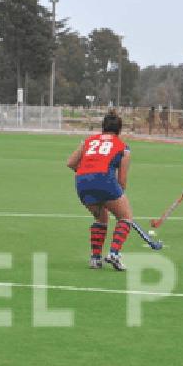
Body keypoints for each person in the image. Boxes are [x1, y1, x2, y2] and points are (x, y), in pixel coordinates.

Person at [66, 110, 135, 271]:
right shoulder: (124, 147)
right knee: (125, 217)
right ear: (119, 129)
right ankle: (114, 254)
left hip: (82, 182)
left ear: (103, 127)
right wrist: (116, 197)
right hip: (105, 181)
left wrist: (88, 174)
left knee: (102, 218)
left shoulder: (88, 141)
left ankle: (95, 259)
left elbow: (70, 163)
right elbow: (122, 181)